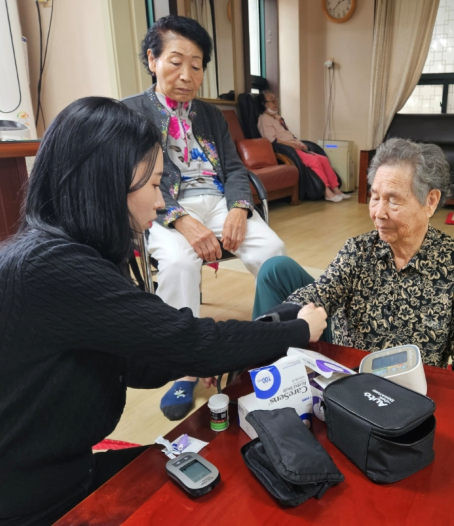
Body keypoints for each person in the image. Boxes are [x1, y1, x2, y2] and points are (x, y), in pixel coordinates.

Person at [0, 97, 327, 526]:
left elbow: (134, 360)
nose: (158, 203)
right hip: (29, 504)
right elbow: (190, 340)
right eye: (153, 185)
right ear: (107, 185)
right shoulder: (53, 268)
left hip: (53, 474)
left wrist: (190, 357)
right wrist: (297, 330)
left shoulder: (55, 254)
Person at [123, 16, 287, 420]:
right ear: (152, 59)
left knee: (273, 248)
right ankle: (183, 366)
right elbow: (134, 179)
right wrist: (179, 219)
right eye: (176, 62)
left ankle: (273, 341)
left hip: (216, 199)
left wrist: (237, 208)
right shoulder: (130, 113)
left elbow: (233, 168)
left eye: (196, 65)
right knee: (179, 262)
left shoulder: (211, 115)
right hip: (160, 206)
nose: (187, 74)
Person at [253, 138, 454, 376]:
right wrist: (247, 339)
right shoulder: (358, 250)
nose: (378, 213)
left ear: (430, 201)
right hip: (352, 381)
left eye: (393, 200)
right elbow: (319, 292)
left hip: (413, 391)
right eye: (375, 197)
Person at [256, 91, 349, 202]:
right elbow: (272, 140)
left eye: (276, 100)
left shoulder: (277, 118)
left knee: (323, 159)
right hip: (286, 150)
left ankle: (336, 189)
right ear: (263, 104)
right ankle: (326, 191)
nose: (276, 103)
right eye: (272, 101)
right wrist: (293, 145)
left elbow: (289, 135)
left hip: (294, 146)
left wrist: (299, 143)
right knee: (314, 160)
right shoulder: (263, 119)